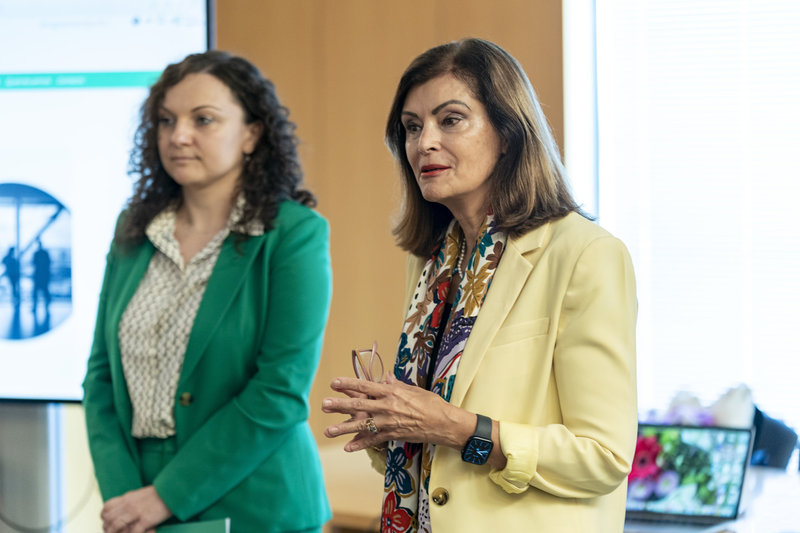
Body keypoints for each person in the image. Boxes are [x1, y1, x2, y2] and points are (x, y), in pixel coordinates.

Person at [322, 38, 637, 532]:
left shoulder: (584, 255)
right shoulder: (432, 261)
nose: (423, 142)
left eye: (451, 120)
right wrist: (388, 425)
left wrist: (454, 427)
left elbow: (603, 457)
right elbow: (432, 466)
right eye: (411, 127)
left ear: (508, 133)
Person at [83, 50, 332, 533]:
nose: (178, 136)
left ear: (251, 134)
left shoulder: (294, 234)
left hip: (259, 505)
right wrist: (126, 500)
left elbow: (280, 391)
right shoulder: (133, 233)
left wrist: (165, 497)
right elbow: (100, 380)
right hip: (138, 506)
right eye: (166, 120)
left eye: (204, 120)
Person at [32, 239, 52, 313]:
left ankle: (35, 307)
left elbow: (34, 263)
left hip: (38, 274)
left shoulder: (36, 253)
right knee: (44, 290)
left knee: (37, 291)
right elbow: (49, 263)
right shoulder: (44, 253)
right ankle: (46, 305)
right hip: (44, 274)